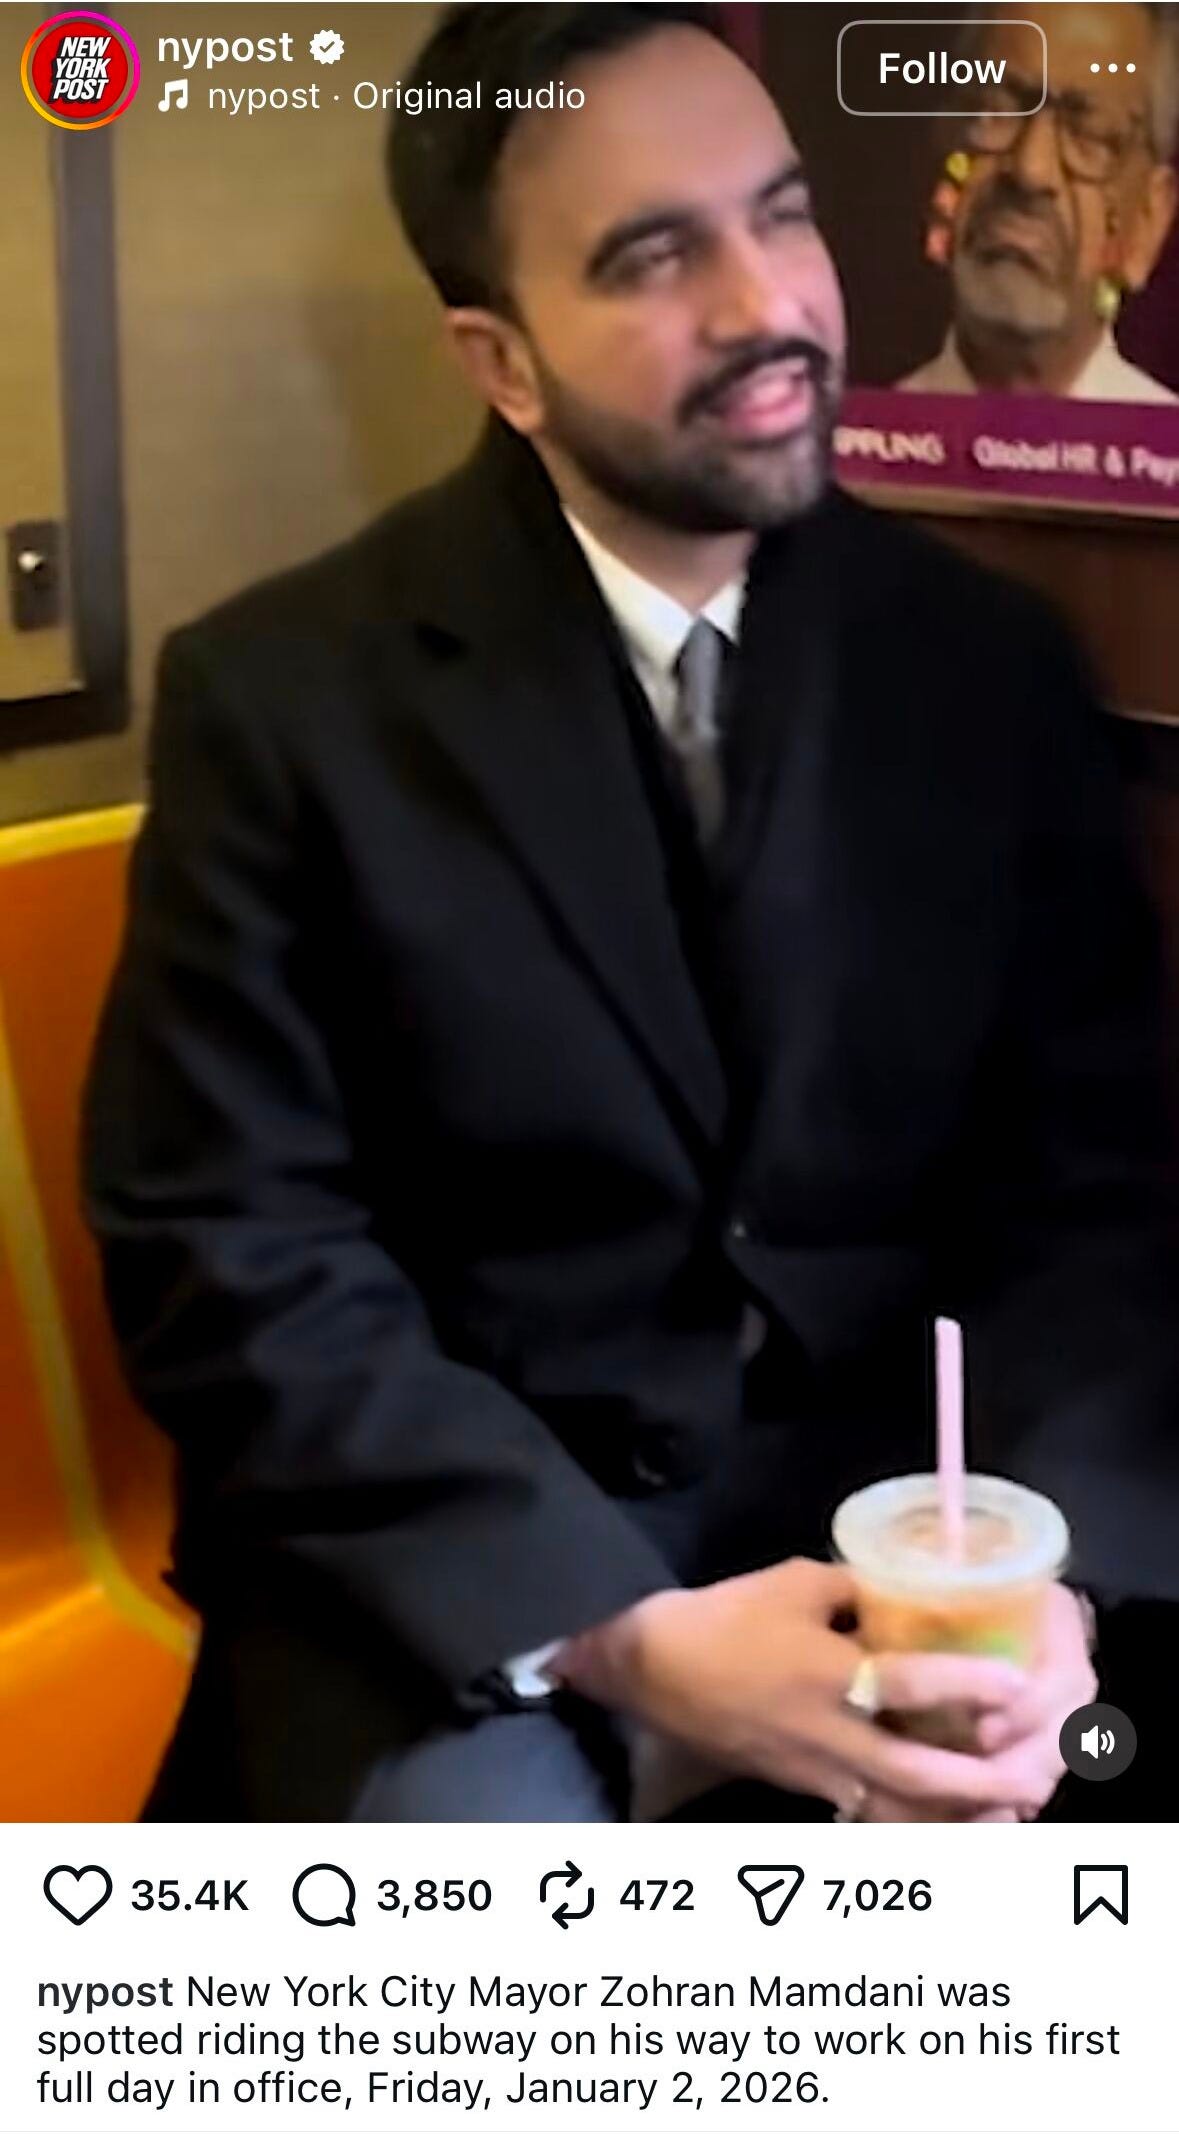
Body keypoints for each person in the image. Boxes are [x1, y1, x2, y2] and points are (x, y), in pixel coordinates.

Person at [84, 3, 1177, 1825]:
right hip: (489, 1567)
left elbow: (1097, 1196)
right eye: (654, 256)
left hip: (926, 1531)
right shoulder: (281, 702)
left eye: (781, 215)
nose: (768, 304)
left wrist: (1044, 1583)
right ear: (499, 361)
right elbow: (234, 1248)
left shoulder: (986, 668)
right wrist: (616, 1628)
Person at [901, 2, 1178, 400]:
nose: (1031, 170)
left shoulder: (1166, 441)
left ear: (1149, 220)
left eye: (1087, 133)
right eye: (996, 109)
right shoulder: (840, 437)